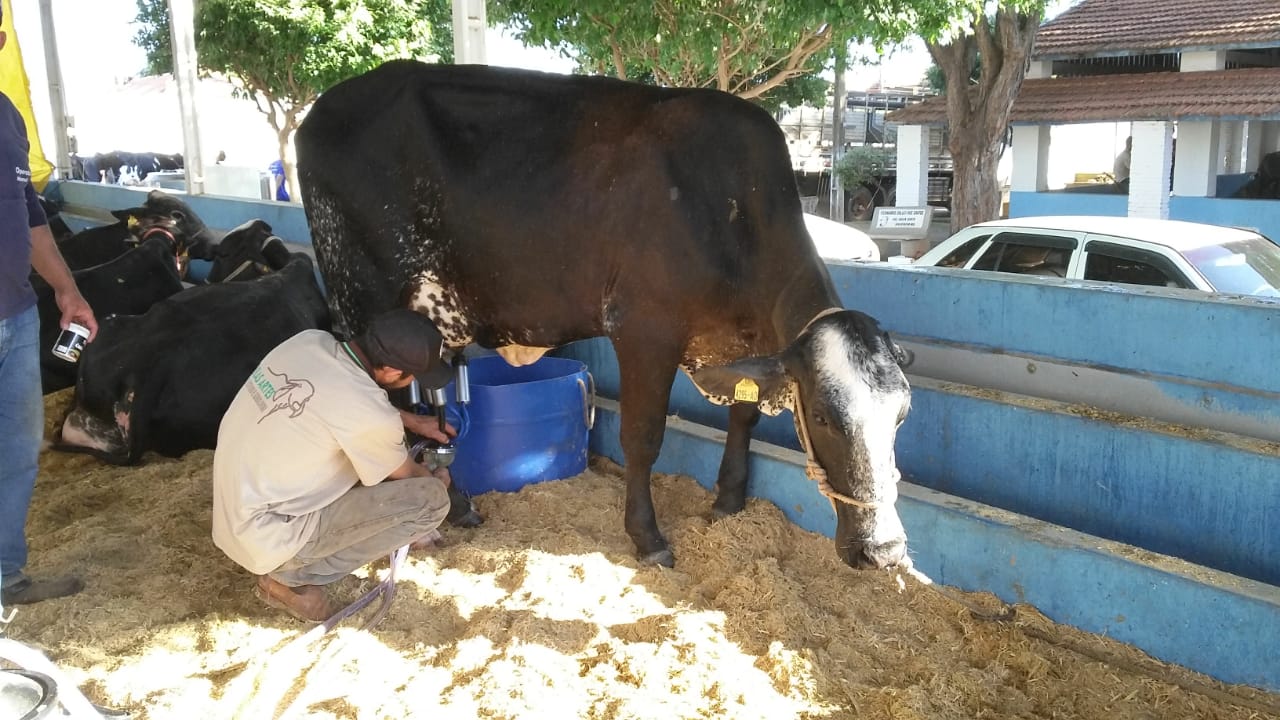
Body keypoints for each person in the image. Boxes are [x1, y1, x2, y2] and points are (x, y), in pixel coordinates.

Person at [211, 309, 459, 621]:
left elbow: (338, 405)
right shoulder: (371, 417)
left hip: (233, 515)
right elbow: (406, 477)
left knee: (356, 459)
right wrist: (438, 479)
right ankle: (291, 578)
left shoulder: (308, 342)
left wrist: (411, 421)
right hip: (270, 538)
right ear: (394, 372)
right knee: (430, 501)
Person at [1, 6, 99, 607]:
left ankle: (5, 573)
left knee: (17, 453)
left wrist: (67, 289)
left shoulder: (6, 115)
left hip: (15, 318)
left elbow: (30, 213)